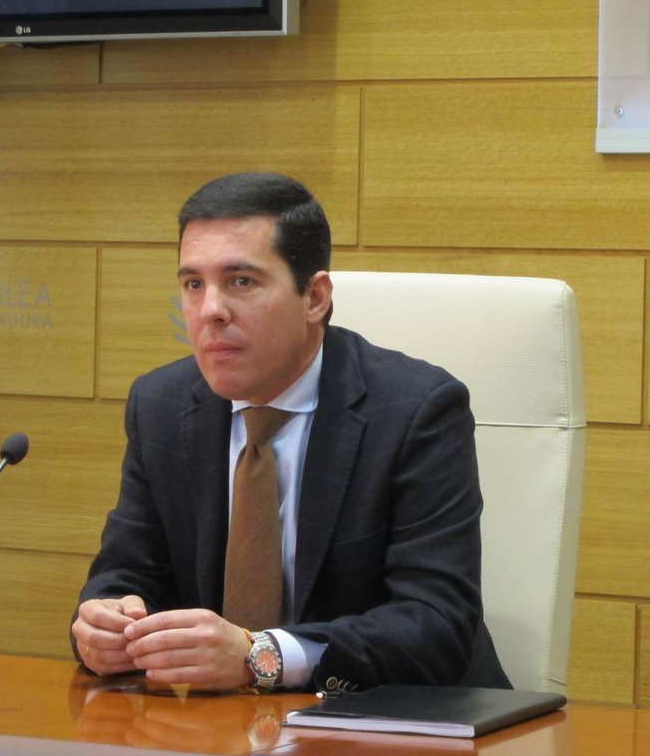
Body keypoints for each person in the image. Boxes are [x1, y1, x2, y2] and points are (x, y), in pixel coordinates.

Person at [71, 171, 510, 693]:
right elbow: (126, 573)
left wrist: (260, 655)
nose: (211, 310)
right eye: (193, 284)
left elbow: (436, 626)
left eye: (241, 281)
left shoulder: (417, 411)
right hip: (215, 726)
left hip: (390, 724)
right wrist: (106, 623)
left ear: (315, 297)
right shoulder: (160, 405)